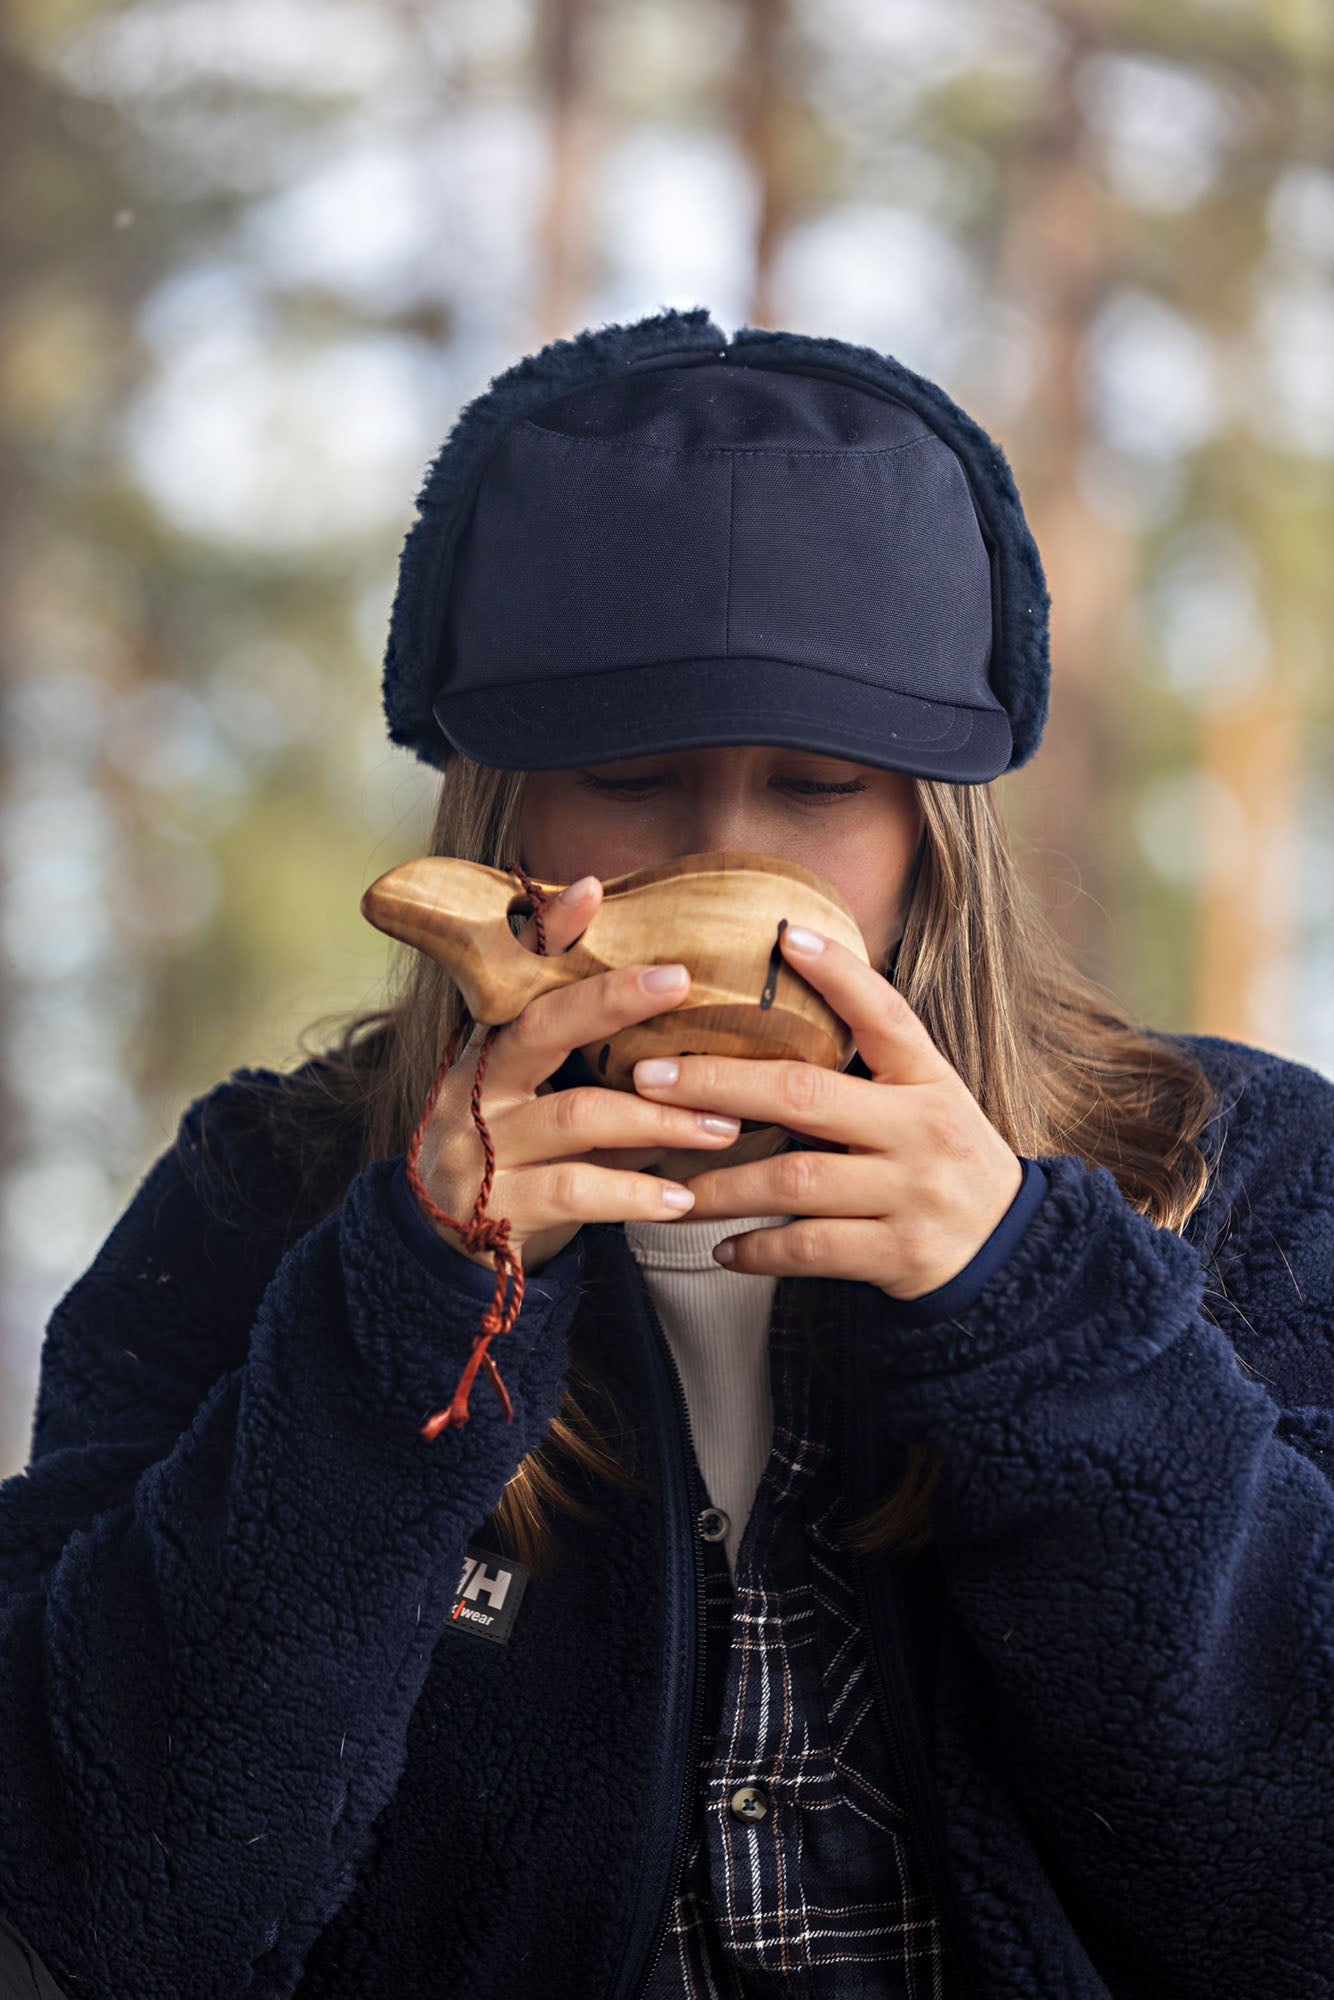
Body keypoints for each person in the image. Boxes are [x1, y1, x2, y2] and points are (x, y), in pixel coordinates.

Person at [0, 304, 1331, 2000]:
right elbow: (100, 1904)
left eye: (816, 783)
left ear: (937, 829)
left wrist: (1037, 1314)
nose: (720, 853)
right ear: (497, 821)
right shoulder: (272, 1199)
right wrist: (404, 1311)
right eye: (628, 779)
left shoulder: (1237, 1176)